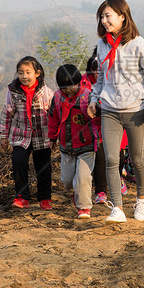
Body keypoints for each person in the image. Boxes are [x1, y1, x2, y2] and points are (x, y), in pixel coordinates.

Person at [86, 0, 144, 223]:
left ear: (122, 16)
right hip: (109, 109)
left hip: (136, 110)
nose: (104, 20)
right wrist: (93, 99)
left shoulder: (139, 44)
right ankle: (117, 208)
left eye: (108, 16)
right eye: (101, 16)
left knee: (137, 159)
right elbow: (101, 78)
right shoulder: (102, 45)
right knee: (111, 159)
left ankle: (141, 200)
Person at [0, 56, 54, 209]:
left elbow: (54, 114)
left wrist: (55, 136)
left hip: (42, 136)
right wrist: (4, 135)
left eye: (28, 72)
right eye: (21, 73)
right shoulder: (13, 92)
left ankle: (44, 198)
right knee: (18, 161)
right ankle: (22, 197)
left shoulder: (46, 92)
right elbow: (7, 113)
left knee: (43, 166)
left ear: (37, 73)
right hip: (20, 135)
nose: (24, 76)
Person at [48, 64, 100, 219]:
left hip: (87, 145)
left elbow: (98, 119)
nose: (68, 89)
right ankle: (76, 194)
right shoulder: (57, 97)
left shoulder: (88, 96)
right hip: (66, 146)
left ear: (78, 81)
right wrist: (52, 138)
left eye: (71, 85)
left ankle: (84, 208)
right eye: (64, 87)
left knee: (83, 177)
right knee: (67, 181)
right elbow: (53, 118)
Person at [80, 48, 110, 204]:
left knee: (112, 157)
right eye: (97, 70)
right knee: (96, 158)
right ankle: (98, 190)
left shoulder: (113, 80)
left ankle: (107, 187)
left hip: (109, 127)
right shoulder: (82, 84)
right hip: (88, 129)